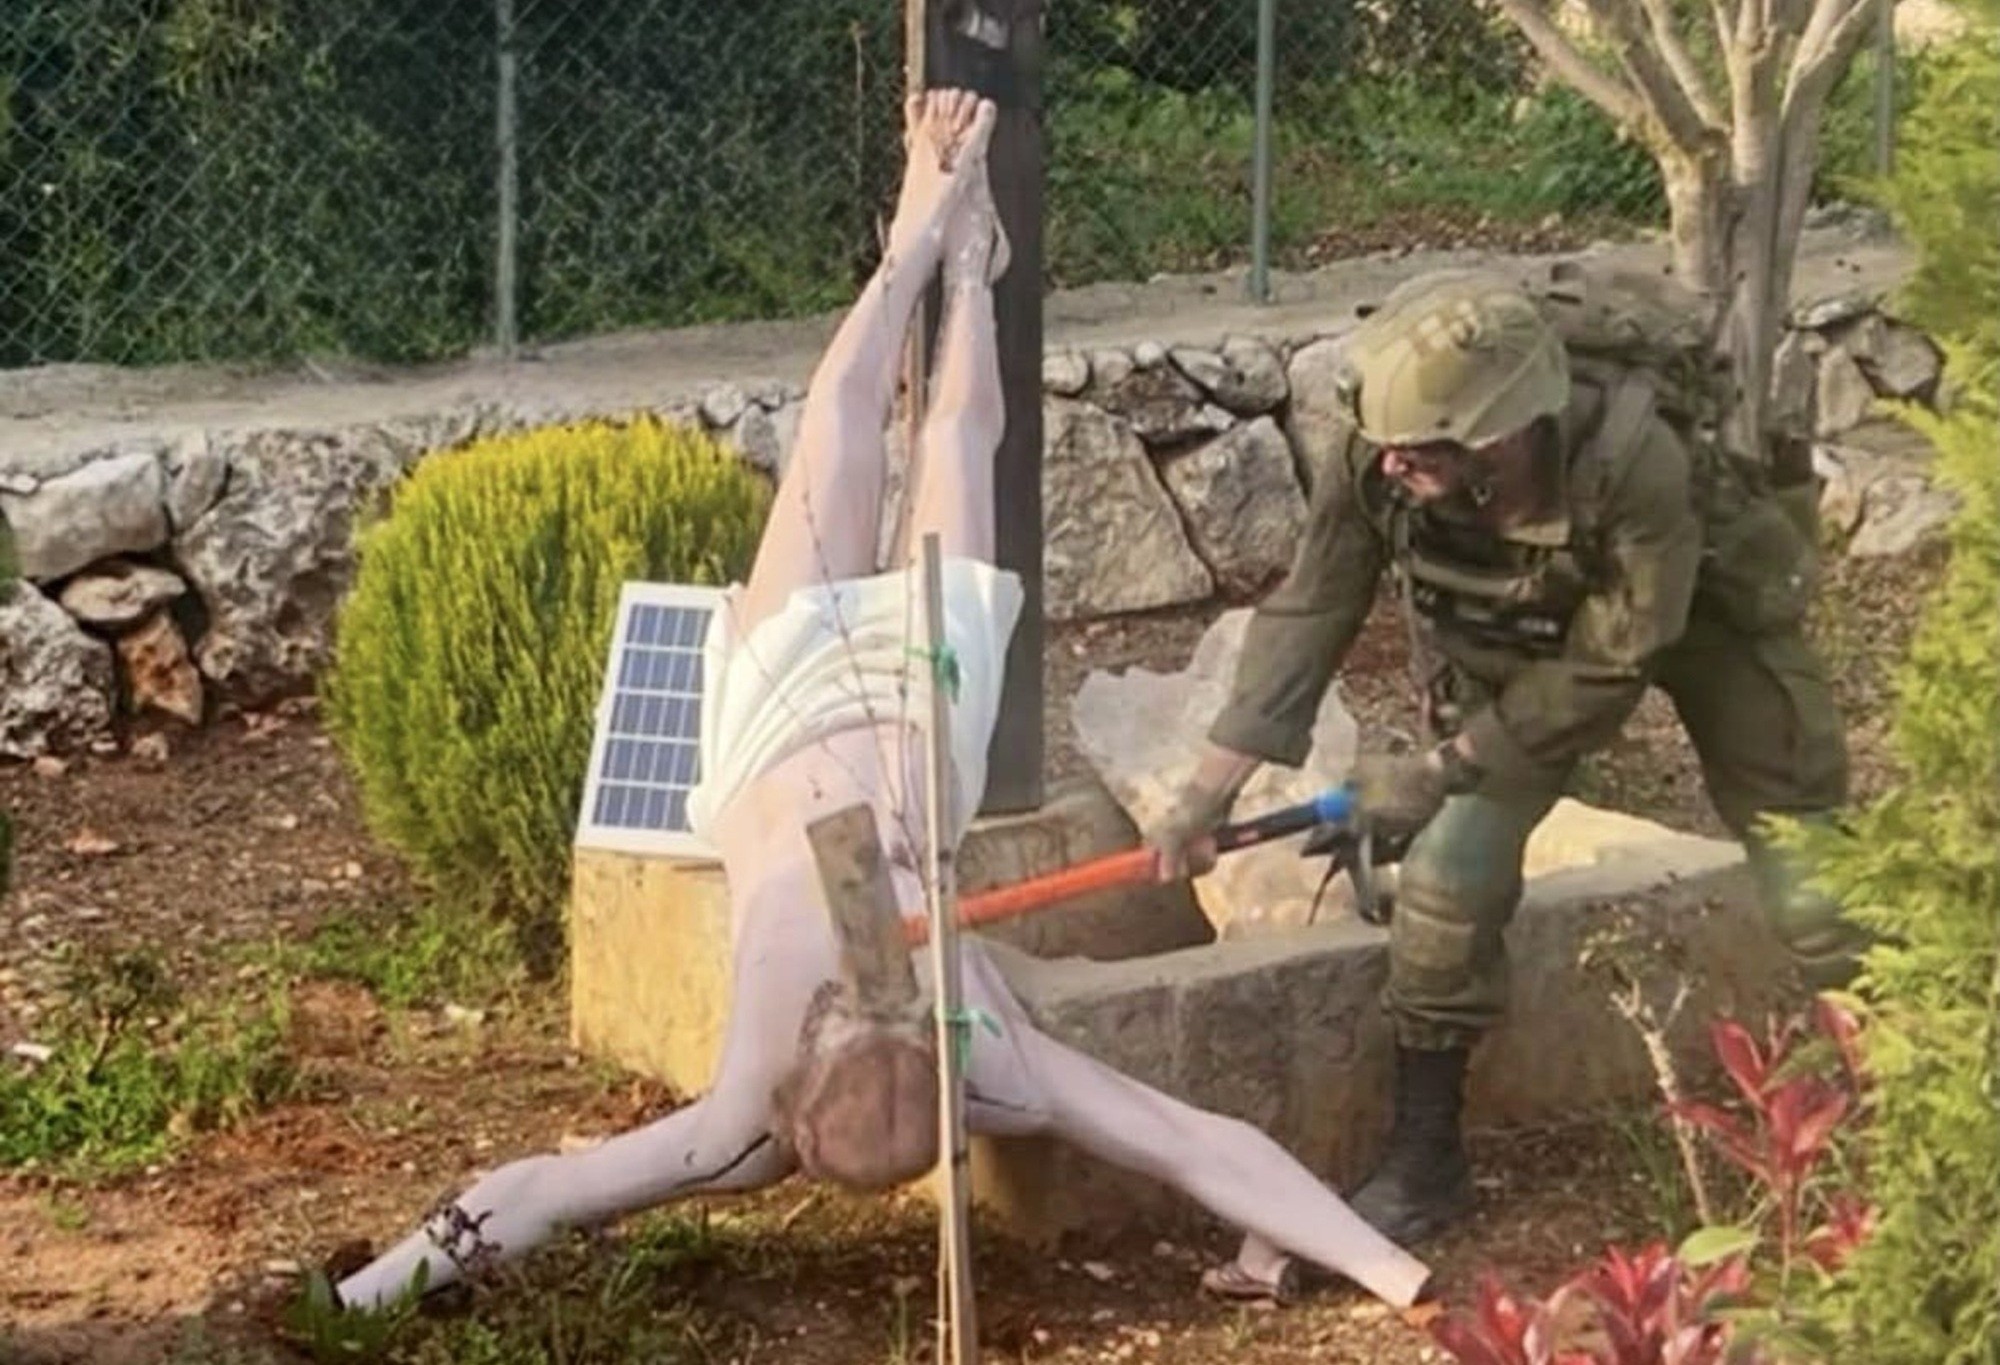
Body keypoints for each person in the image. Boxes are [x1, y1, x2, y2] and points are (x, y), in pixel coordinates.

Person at [327, 88, 1433, 1318]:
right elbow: (1192, 1143)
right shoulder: (950, 1078)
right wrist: (1399, 1280)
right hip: (912, 727)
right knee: (932, 438)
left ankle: (942, 256)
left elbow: (537, 1191)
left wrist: (365, 1296)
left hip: (773, 727)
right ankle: (948, 261)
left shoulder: (817, 1104)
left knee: (856, 441)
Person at [1148, 268, 1860, 1283]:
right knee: (1445, 880)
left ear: (1504, 429)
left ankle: (1896, 1095)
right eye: (1387, 442)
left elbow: (1617, 657)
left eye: (1423, 447)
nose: (1393, 464)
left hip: (1697, 616)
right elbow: (1312, 606)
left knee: (1808, 866)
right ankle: (1425, 1160)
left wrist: (1441, 764)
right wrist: (1203, 793)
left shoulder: (1633, 461)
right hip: (1521, 645)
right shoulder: (1377, 454)